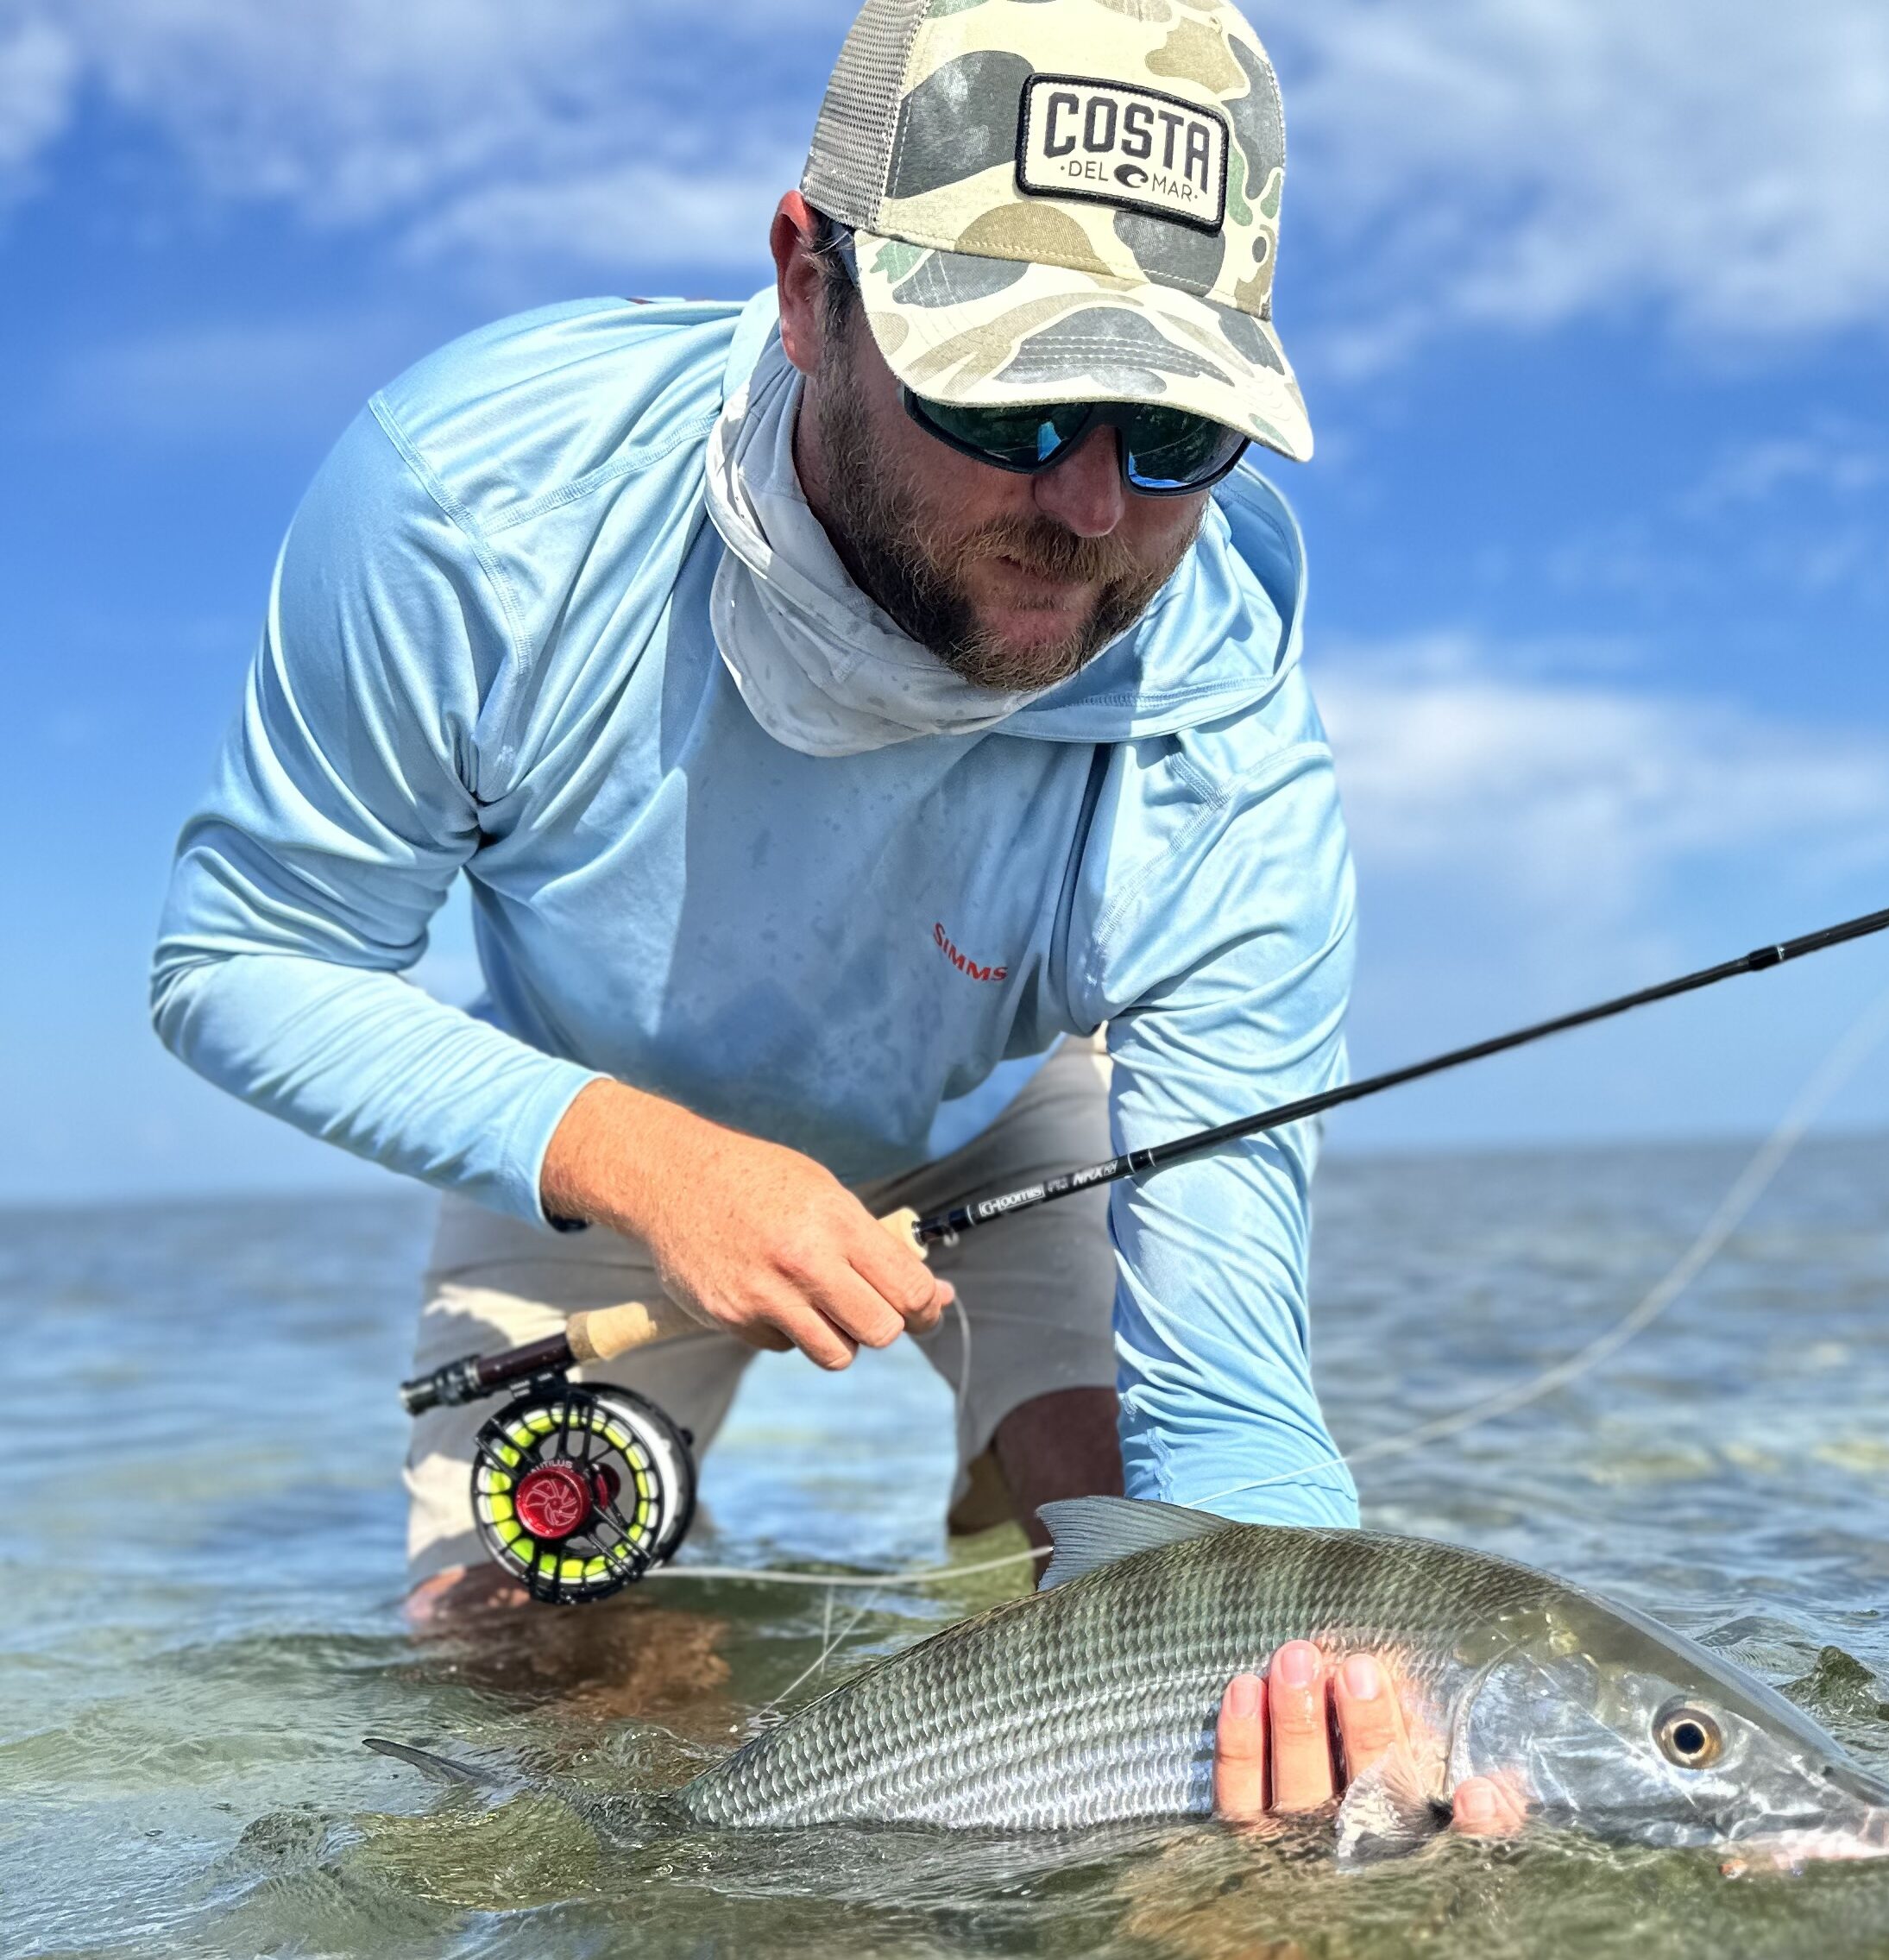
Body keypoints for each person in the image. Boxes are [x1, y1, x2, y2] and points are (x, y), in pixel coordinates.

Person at [151, 0, 1511, 1831]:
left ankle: (1005, 1494)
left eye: (1177, 427)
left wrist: (1330, 1705)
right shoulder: (474, 508)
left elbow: (1238, 1418)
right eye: (1009, 394)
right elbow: (241, 958)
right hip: (599, 1107)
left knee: (1154, 1615)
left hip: (1022, 1106)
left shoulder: (1231, 734)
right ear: (810, 287)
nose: (1091, 505)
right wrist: (651, 1161)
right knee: (515, 1661)